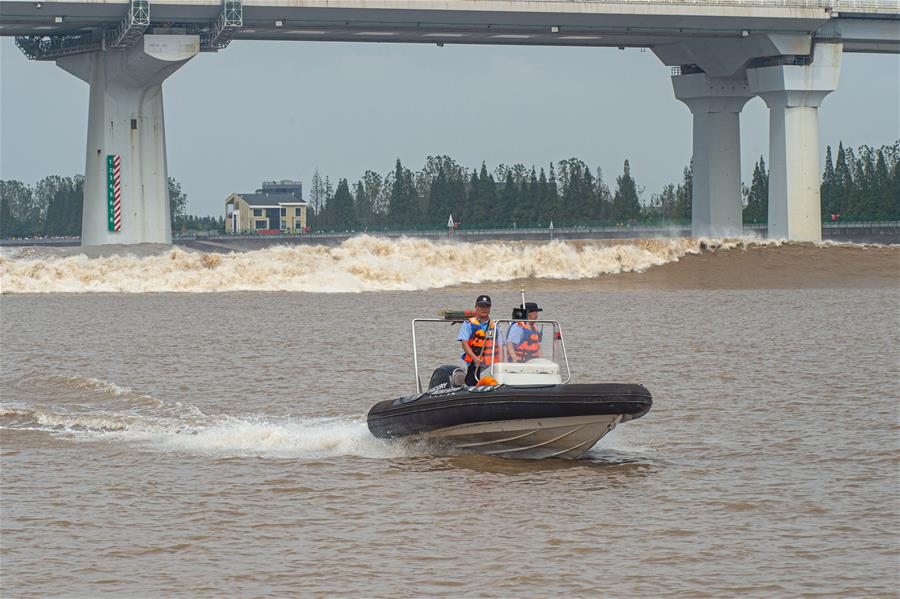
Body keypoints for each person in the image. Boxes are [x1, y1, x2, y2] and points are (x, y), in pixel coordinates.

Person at [458, 294, 500, 386]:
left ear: (490, 308)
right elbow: (464, 343)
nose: (484, 309)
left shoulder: (496, 325)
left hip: (491, 364)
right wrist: (475, 358)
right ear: (476, 307)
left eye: (486, 306)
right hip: (475, 363)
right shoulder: (468, 324)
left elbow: (502, 344)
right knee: (471, 383)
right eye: (481, 306)